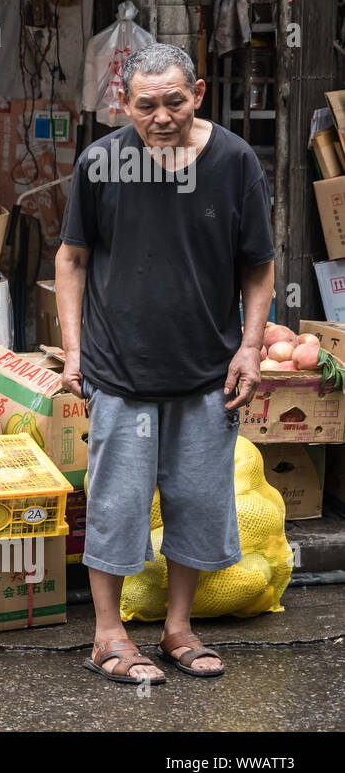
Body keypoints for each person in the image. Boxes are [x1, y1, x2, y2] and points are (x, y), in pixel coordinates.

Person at [55, 42, 275, 684]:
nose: (161, 117)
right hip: (120, 370)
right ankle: (107, 637)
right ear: (124, 103)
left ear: (199, 94)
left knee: (197, 503)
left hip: (207, 369)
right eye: (146, 105)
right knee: (118, 506)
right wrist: (73, 350)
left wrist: (252, 346)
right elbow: (72, 258)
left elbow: (257, 266)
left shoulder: (235, 162)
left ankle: (178, 630)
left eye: (175, 101)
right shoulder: (101, 163)